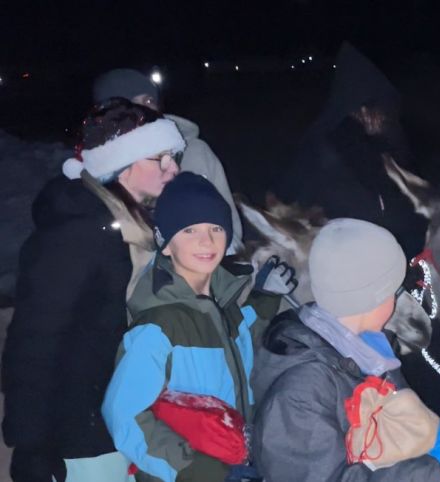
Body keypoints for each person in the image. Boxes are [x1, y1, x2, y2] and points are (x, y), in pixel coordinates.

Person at [1, 98, 184, 481]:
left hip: (123, 413)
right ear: (121, 165)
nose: (174, 169)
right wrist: (31, 444)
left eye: (174, 157)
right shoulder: (80, 231)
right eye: (160, 159)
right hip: (83, 428)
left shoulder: (135, 225)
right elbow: (34, 339)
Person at [252, 218, 440, 482]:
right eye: (394, 289)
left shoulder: (366, 350)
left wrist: (425, 438)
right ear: (375, 297)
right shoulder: (301, 388)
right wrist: (431, 474)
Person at [101, 172, 276, 481]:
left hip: (237, 463)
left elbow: (249, 346)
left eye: (216, 228)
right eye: (189, 229)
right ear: (165, 244)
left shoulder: (228, 309)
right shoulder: (158, 328)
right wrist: (194, 470)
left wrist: (268, 296)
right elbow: (123, 415)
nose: (206, 240)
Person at [272, 43, 428, 259]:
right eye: (382, 109)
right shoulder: (323, 152)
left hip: (400, 263)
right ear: (362, 111)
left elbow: (415, 213)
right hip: (347, 265)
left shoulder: (390, 148)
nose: (387, 117)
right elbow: (289, 217)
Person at [92, 68, 244, 254]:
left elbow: (231, 232)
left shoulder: (195, 153)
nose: (143, 110)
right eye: (129, 104)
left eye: (148, 101)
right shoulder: (96, 176)